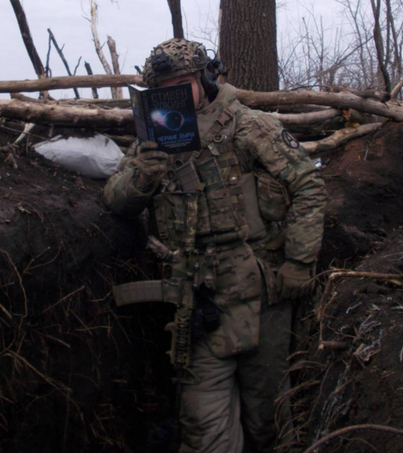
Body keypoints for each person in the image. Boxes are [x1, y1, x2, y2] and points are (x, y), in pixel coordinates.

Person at [104, 38, 326, 453]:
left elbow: (308, 186)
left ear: (206, 79)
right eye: (164, 88)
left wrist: (299, 261)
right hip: (199, 302)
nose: (175, 95)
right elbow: (116, 199)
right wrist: (144, 176)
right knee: (204, 430)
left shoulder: (250, 126)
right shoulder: (156, 138)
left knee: (269, 423)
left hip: (261, 297)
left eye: (183, 83)